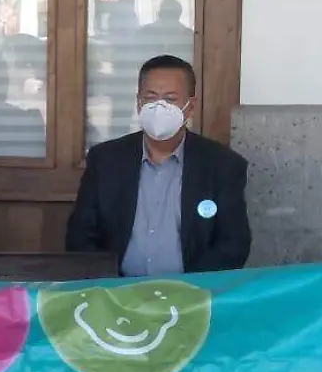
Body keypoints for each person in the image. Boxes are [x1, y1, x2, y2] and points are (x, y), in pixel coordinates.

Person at [66, 55, 250, 276]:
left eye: (170, 99)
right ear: (138, 103)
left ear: (190, 107)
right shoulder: (105, 160)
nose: (159, 107)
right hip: (117, 291)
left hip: (189, 292)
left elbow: (233, 244)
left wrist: (188, 288)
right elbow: (80, 236)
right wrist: (111, 287)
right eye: (150, 98)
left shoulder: (222, 165)